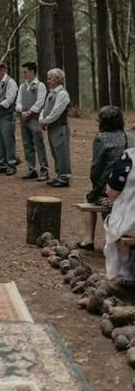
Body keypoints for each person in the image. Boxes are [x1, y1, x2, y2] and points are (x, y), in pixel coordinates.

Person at [78, 106, 134, 250]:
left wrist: (95, 190)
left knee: (90, 198)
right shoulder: (131, 137)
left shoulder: (101, 138)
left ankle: (89, 239)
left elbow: (97, 168)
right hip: (131, 192)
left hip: (113, 192)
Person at [103, 148, 135, 280]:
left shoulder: (128, 160)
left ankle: (119, 274)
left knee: (115, 230)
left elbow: (111, 193)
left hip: (130, 222)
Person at [15, 62, 49, 180]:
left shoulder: (41, 86)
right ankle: (31, 169)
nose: (23, 74)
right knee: (27, 144)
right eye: (23, 72)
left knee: (39, 145)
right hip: (23, 119)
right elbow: (18, 101)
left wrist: (30, 112)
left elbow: (40, 102)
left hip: (34, 119)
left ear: (33, 71)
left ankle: (44, 171)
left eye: (25, 72)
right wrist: (21, 111)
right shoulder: (22, 86)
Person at [39, 68, 71, 187]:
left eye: (50, 79)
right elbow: (45, 109)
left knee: (62, 151)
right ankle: (59, 174)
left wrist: (45, 121)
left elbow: (56, 112)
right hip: (52, 127)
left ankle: (64, 177)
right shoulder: (51, 93)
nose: (48, 81)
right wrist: (42, 120)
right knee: (55, 151)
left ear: (58, 79)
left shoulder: (62, 94)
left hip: (60, 127)